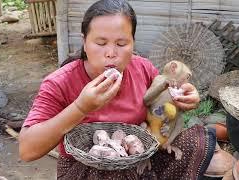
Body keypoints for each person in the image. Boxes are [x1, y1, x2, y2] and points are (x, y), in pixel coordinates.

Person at [19, 0, 215, 179]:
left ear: (133, 43)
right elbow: (27, 150)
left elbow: (162, 104)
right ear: (84, 42)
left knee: (194, 142)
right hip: (86, 169)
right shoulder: (59, 82)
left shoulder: (142, 68)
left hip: (138, 155)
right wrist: (80, 108)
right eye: (100, 43)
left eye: (121, 44)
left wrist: (184, 97)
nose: (111, 54)